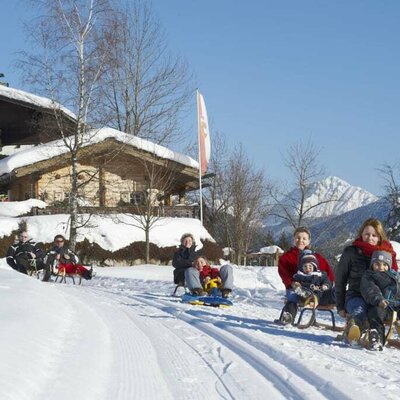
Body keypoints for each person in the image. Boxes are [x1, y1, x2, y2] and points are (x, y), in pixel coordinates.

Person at [335, 218, 398, 342]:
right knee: (359, 309)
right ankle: (355, 329)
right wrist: (340, 306)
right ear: (361, 234)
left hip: (380, 298)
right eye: (367, 234)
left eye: (374, 235)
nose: (370, 238)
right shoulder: (351, 252)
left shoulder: (387, 254)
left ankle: (376, 336)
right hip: (355, 295)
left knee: (377, 311)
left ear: (380, 237)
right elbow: (340, 280)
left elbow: (394, 280)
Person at [278, 227, 335, 324]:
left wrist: (330, 284)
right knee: (293, 296)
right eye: (298, 238)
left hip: (315, 289)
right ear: (293, 239)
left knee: (329, 295)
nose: (301, 240)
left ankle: (312, 315)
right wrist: (291, 283)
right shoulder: (286, 257)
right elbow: (284, 273)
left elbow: (328, 273)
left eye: (304, 238)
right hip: (295, 287)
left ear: (308, 241)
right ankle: (289, 316)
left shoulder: (317, 257)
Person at [360, 250, 400, 350]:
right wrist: (379, 300)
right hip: (380, 305)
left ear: (389, 266)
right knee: (375, 313)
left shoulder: (395, 276)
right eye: (377, 264)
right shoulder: (369, 276)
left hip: (396, 306)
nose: (381, 267)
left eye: (385, 265)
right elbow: (370, 289)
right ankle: (376, 338)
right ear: (372, 264)